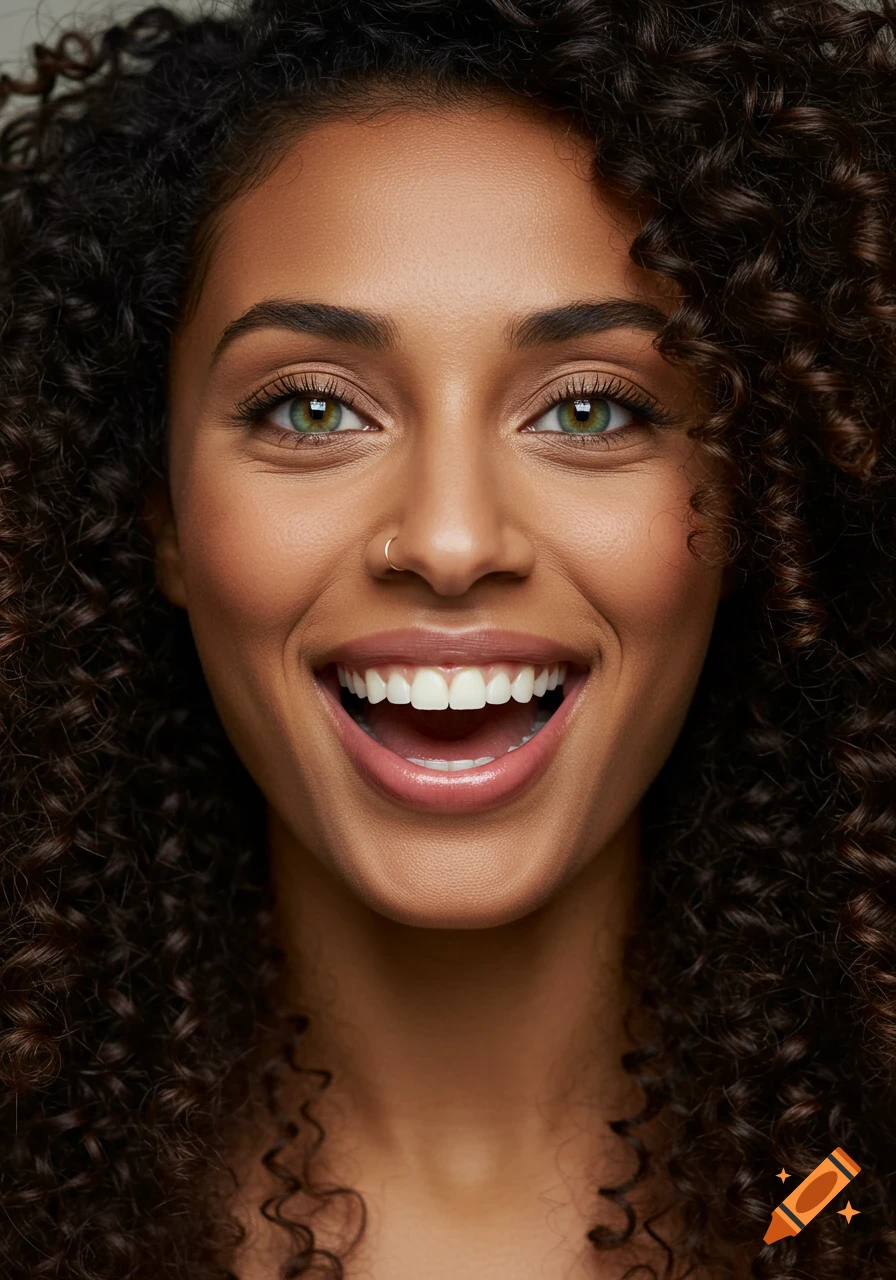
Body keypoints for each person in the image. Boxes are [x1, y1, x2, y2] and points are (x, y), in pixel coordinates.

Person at [0, 1, 894, 1277]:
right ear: (161, 522)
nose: (452, 537)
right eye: (312, 408)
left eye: (589, 408)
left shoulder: (836, 1203)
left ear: (760, 502)